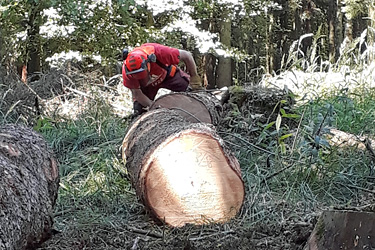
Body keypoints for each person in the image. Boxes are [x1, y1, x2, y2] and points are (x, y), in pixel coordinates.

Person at [122, 43, 203, 115]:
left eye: (142, 75)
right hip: (146, 88)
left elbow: (187, 56)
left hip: (167, 75)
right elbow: (137, 93)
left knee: (193, 93)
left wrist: (194, 79)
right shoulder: (127, 71)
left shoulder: (159, 52)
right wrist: (153, 107)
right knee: (140, 110)